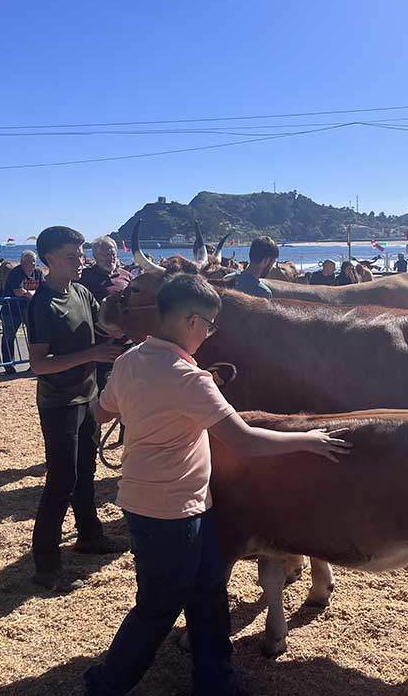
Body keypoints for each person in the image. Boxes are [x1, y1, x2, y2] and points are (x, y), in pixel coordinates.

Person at [83, 274, 349, 696]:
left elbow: (99, 413)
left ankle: (216, 680)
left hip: (153, 500)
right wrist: (308, 440)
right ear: (190, 321)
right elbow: (244, 439)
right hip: (173, 508)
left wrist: (159, 409)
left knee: (209, 591)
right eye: (209, 324)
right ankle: (105, 685)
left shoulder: (130, 361)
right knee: (158, 607)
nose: (209, 333)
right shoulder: (191, 380)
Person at [26, 226, 129, 591]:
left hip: (88, 394)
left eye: (81, 254)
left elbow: (107, 325)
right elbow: (39, 364)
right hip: (59, 402)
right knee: (61, 481)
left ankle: (89, 535)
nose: (80, 261)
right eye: (72, 256)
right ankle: (46, 566)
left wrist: (128, 326)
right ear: (50, 259)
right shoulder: (41, 303)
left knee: (85, 470)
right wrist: (93, 354)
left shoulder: (83, 291)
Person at [81, 235, 133, 394]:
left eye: (113, 254)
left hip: (128, 344)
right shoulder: (85, 277)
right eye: (105, 254)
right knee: (105, 390)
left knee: (130, 390)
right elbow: (81, 308)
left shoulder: (127, 275)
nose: (110, 258)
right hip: (102, 345)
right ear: (95, 256)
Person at [1, 250, 44, 375]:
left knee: (34, 337)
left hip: (29, 309)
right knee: (9, 337)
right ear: (22, 261)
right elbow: (17, 291)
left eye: (34, 261)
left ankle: (35, 363)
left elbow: (42, 288)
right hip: (12, 310)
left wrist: (34, 294)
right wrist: (28, 293)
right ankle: (8, 365)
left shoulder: (38, 272)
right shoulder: (16, 273)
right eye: (29, 261)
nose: (33, 264)